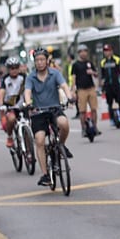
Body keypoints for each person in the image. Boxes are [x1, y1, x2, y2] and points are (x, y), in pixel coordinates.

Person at [25, 47, 73, 187]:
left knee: (64, 124)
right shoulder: (31, 77)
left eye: (42, 60)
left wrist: (69, 97)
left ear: (47, 61)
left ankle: (61, 146)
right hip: (38, 112)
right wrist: (28, 103)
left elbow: (64, 86)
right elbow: (27, 92)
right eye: (37, 60)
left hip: (54, 109)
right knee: (39, 140)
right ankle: (46, 175)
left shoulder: (55, 73)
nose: (39, 62)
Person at [70, 43, 101, 137]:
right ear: (79, 53)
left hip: (91, 88)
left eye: (85, 51)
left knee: (94, 109)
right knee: (82, 111)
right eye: (81, 52)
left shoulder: (89, 63)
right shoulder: (75, 65)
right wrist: (73, 90)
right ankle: (83, 129)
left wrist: (93, 72)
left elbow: (96, 74)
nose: (84, 53)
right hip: (81, 90)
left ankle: (95, 127)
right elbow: (73, 78)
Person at [0, 56, 28, 148]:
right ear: (8, 69)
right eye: (12, 68)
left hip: (22, 104)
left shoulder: (23, 77)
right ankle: (10, 137)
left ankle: (28, 147)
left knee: (29, 123)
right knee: (11, 119)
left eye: (16, 67)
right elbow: (1, 92)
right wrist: (1, 104)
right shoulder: (5, 79)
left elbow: (29, 89)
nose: (14, 70)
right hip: (10, 106)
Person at [99, 44, 120, 128]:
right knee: (109, 103)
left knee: (119, 101)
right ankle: (112, 119)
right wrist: (102, 84)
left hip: (116, 84)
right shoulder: (103, 62)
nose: (107, 52)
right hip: (108, 85)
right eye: (105, 51)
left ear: (111, 51)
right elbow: (102, 75)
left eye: (108, 50)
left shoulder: (117, 60)